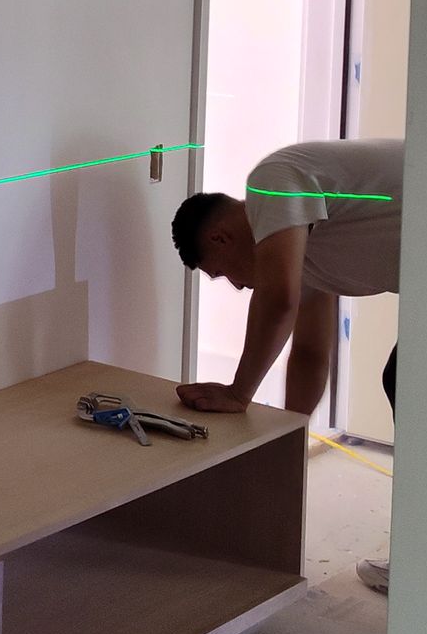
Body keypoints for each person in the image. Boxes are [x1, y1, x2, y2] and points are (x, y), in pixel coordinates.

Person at [170, 137, 402, 593]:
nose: (238, 286)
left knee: (410, 385)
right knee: (406, 382)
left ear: (220, 238)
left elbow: (278, 301)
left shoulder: (271, 180)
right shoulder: (307, 253)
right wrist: (289, 443)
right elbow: (311, 353)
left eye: (222, 273)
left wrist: (239, 393)